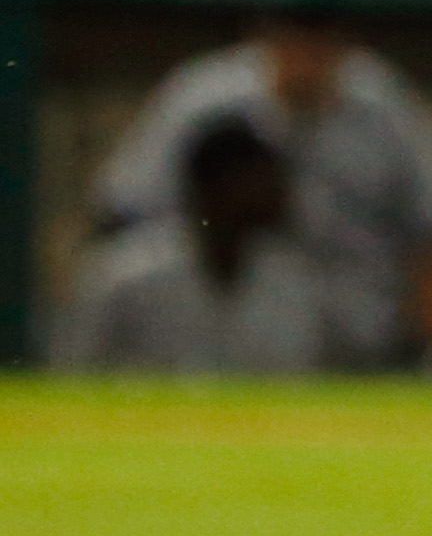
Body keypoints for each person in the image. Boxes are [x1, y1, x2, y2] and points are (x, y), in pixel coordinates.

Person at [87, 13, 432, 368]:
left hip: (361, 326)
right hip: (216, 312)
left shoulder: (380, 100)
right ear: (266, 36)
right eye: (295, 37)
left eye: (319, 39)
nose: (306, 54)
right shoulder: (204, 97)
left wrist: (426, 340)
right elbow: (122, 210)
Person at [57, 117, 325, 373]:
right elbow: (72, 373)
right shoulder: (124, 275)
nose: (278, 191)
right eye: (260, 178)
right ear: (215, 187)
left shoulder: (290, 280)